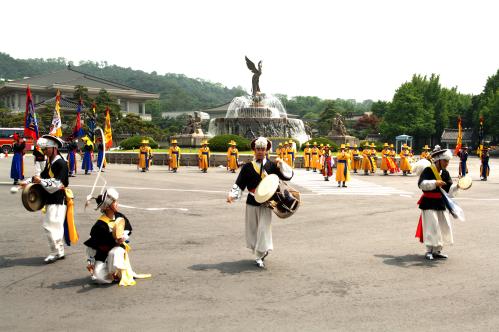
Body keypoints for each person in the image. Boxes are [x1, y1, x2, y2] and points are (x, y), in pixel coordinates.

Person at [226, 137, 293, 268]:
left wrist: (282, 164)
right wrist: (232, 195)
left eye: (263, 149)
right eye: (258, 149)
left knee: (263, 229)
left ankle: (260, 255)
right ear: (254, 150)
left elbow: (288, 176)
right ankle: (259, 250)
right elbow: (240, 183)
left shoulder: (272, 165)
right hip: (251, 201)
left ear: (266, 150)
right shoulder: (247, 167)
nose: (260, 152)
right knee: (253, 229)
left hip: (267, 203)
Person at [84, 188, 151, 285]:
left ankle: (116, 272)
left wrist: (123, 236)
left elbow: (128, 229)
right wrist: (91, 262)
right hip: (103, 254)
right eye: (114, 202)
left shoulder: (119, 216)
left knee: (115, 252)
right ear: (107, 207)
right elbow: (93, 245)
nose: (117, 204)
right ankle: (106, 270)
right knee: (100, 279)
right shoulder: (99, 225)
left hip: (116, 250)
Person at [19, 135, 69, 263]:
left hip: (58, 199)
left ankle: (54, 252)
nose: (44, 152)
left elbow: (58, 184)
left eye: (46, 149)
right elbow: (41, 176)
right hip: (51, 199)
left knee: (50, 226)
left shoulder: (61, 163)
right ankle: (59, 251)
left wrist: (40, 181)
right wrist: (27, 182)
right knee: (55, 226)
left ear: (54, 148)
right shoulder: (50, 163)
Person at [415, 146, 459, 260]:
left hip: (441, 202)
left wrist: (458, 186)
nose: (447, 163)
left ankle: (437, 250)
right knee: (432, 226)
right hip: (429, 202)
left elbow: (448, 189)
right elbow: (421, 184)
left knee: (442, 226)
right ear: (438, 160)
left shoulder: (445, 173)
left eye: (448, 161)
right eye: (445, 160)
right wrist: (435, 182)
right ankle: (429, 250)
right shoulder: (428, 170)